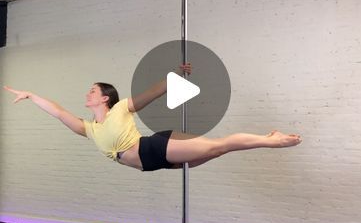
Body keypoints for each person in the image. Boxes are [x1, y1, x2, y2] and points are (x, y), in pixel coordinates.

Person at [3, 64, 301, 172]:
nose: (87, 94)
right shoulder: (89, 129)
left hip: (152, 149)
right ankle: (266, 139)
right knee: (216, 150)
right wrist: (30, 95)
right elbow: (57, 112)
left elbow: (154, 92)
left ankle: (270, 140)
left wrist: (176, 75)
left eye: (92, 90)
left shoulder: (121, 108)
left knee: (218, 146)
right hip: (152, 164)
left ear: (106, 97)